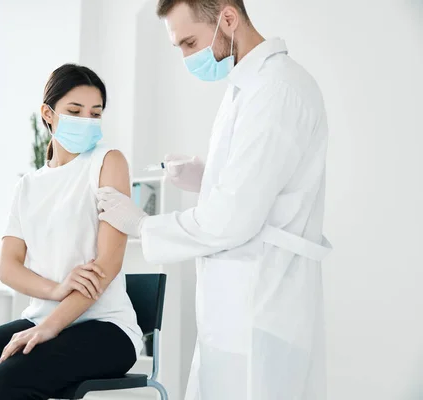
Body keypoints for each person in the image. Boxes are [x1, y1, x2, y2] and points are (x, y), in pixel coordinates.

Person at [97, 1, 332, 399]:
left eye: (190, 42)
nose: (188, 57)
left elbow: (234, 218)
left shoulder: (276, 89)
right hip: (240, 305)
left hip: (261, 304)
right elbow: (261, 185)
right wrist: (208, 179)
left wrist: (143, 225)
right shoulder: (248, 87)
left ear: (227, 18)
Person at [0, 64, 143, 400]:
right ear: (48, 112)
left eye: (95, 113)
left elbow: (107, 264)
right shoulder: (28, 186)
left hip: (107, 328)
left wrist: (50, 327)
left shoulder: (108, 162)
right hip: (41, 317)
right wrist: (55, 290)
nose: (86, 120)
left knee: (5, 385)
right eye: (74, 111)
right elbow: (9, 267)